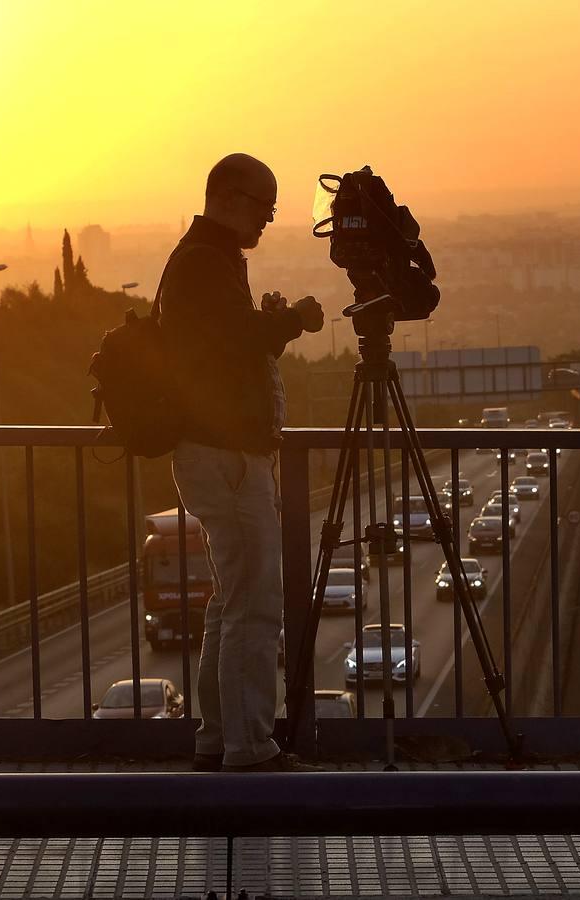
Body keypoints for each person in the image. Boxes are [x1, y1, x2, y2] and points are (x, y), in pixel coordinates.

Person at [159, 153, 324, 772]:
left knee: (231, 601)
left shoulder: (206, 259)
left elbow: (225, 344)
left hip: (216, 452)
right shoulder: (204, 262)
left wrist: (267, 323)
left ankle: (216, 735)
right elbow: (234, 344)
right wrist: (292, 321)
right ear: (229, 199)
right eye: (264, 208)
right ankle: (250, 747)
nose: (267, 221)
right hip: (226, 455)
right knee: (254, 604)